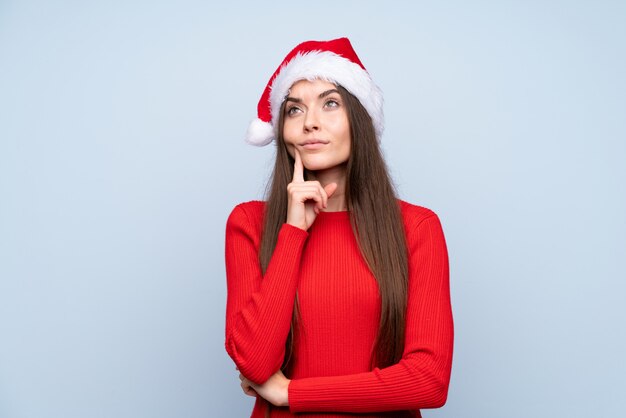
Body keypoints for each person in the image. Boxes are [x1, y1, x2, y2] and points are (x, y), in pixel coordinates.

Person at [224, 37, 453, 418]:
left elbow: (428, 379)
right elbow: (256, 362)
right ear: (282, 130)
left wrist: (292, 393)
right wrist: (293, 234)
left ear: (360, 119)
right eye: (294, 110)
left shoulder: (417, 228)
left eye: (330, 103)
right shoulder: (249, 224)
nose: (310, 121)